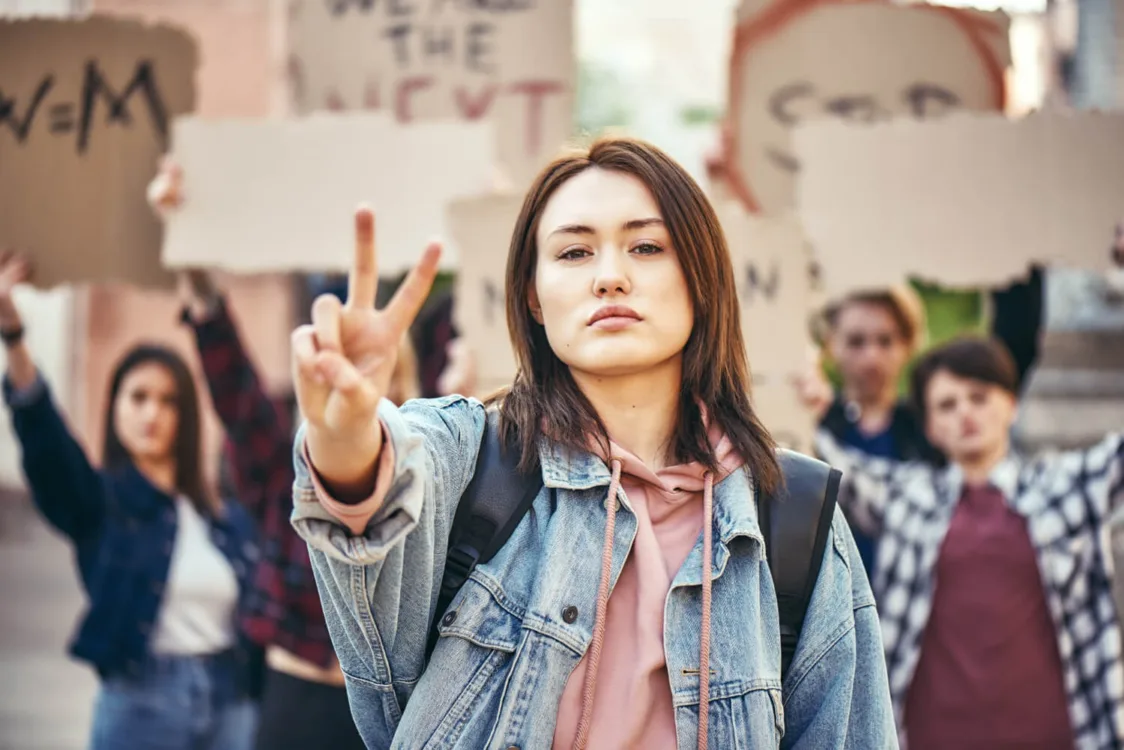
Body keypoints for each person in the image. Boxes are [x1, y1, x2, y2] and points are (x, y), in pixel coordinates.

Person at [287, 137, 896, 748]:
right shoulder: (473, 458)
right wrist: (343, 435)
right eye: (575, 252)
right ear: (533, 295)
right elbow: (376, 477)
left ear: (701, 277)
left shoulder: (794, 515)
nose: (610, 277)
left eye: (647, 246)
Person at [148, 157, 457, 750]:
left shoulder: (441, 472)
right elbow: (229, 375)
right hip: (296, 697)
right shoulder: (281, 467)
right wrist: (184, 242)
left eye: (387, 389)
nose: (366, 404)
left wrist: (493, 224)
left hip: (396, 714)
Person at [0, 251, 260, 750]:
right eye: (138, 397)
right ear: (114, 406)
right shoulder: (99, 499)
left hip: (231, 698)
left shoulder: (220, 513)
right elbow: (45, 438)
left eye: (168, 401)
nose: (152, 413)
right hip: (145, 703)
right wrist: (12, 333)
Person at [814, 336, 1124, 749]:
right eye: (947, 404)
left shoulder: (1065, 486)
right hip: (931, 736)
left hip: (1055, 735)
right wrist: (807, 403)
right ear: (930, 428)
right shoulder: (909, 496)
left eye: (979, 397)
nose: (965, 413)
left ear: (1011, 406)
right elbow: (823, 467)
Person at [793, 287, 934, 578]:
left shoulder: (932, 431)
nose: (872, 357)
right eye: (856, 342)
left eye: (886, 341)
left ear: (908, 345)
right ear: (831, 346)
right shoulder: (811, 425)